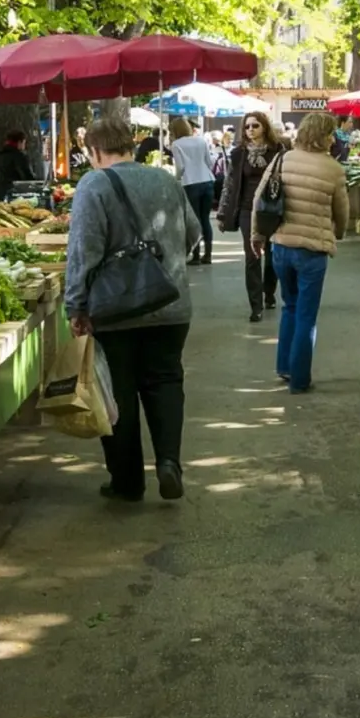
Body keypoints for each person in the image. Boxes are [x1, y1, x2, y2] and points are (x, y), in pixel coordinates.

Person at [63, 117, 200, 503]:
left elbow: (83, 250)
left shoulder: (93, 184)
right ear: (130, 144)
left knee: (117, 391)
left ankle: (127, 481)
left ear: (94, 150)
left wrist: (75, 304)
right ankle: (170, 463)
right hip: (171, 303)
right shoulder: (166, 180)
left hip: (116, 308)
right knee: (166, 381)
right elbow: (193, 233)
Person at [252, 112, 347, 394]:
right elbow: (341, 211)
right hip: (313, 251)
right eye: (331, 134)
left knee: (289, 307)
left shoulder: (283, 159)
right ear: (323, 136)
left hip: (281, 246)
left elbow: (261, 197)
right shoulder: (333, 169)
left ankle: (284, 366)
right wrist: (337, 234)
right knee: (307, 315)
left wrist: (257, 235)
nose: (333, 139)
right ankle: (300, 379)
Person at [219, 111, 285, 322]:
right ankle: (255, 305)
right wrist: (223, 213)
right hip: (247, 210)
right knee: (252, 256)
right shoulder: (239, 153)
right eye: (247, 127)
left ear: (264, 126)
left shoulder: (278, 150)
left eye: (255, 126)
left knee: (273, 255)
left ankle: (269, 292)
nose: (250, 130)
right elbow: (229, 184)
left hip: (272, 208)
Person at [166, 118, 217, 266]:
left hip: (190, 183)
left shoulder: (176, 145)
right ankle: (208, 254)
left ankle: (196, 255)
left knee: (194, 220)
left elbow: (180, 167)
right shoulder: (201, 141)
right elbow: (210, 162)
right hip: (207, 181)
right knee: (205, 219)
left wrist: (176, 180)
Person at [0, 129, 35, 205]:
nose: (24, 146)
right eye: (24, 143)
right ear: (19, 142)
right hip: (7, 198)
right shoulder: (19, 156)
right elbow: (27, 177)